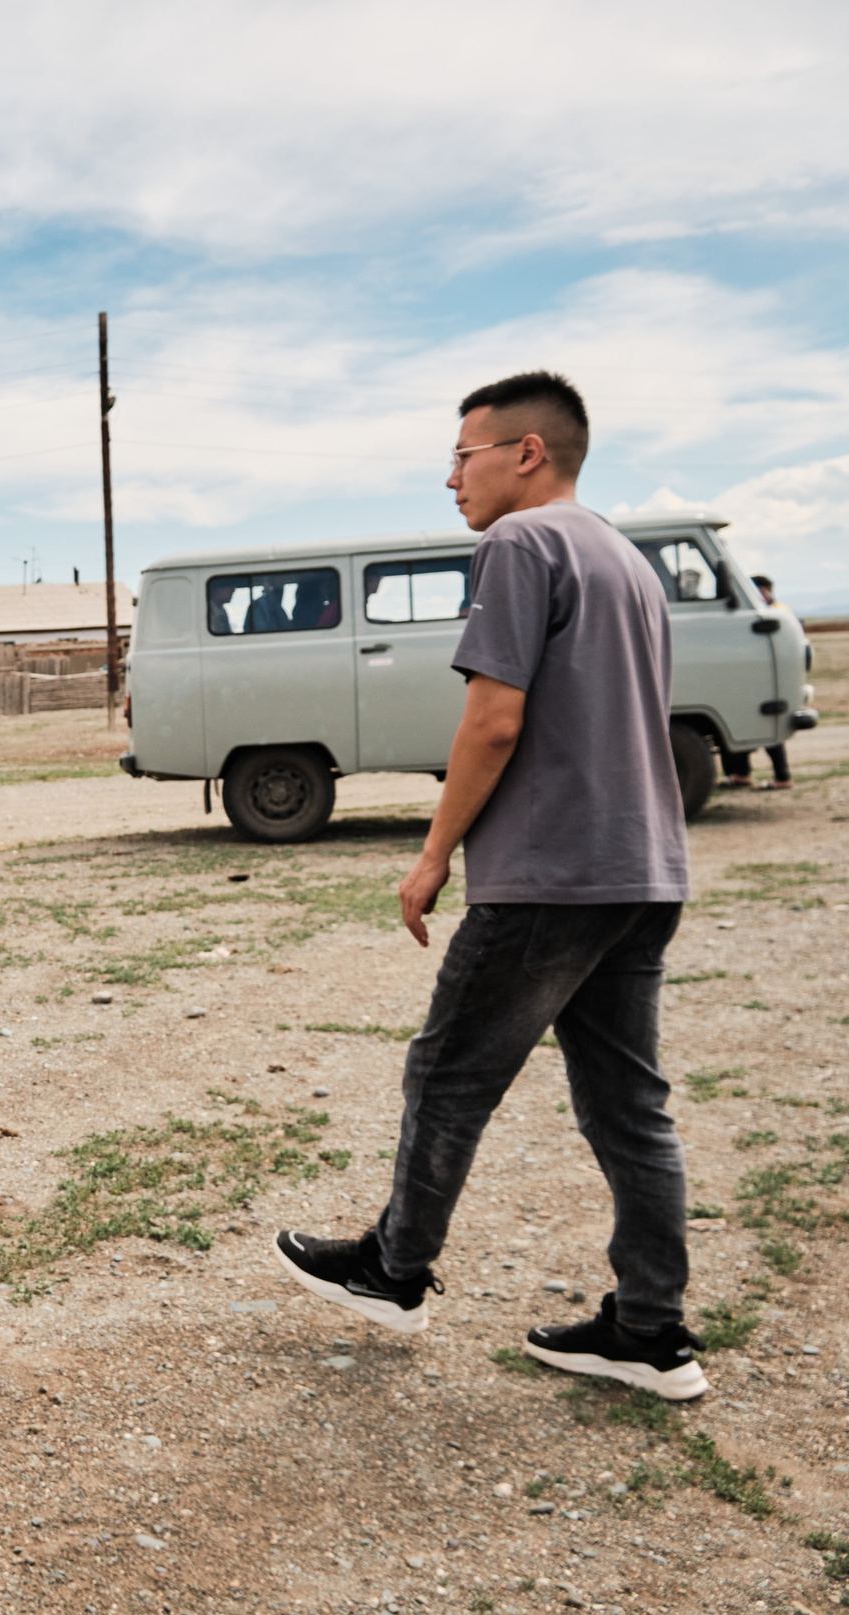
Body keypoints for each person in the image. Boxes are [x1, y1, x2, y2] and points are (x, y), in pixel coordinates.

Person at [271, 371, 710, 1402]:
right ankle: (650, 1329)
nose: (450, 478)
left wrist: (434, 854)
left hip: (550, 874)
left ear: (526, 452)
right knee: (629, 1105)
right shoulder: (625, 559)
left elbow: (494, 718)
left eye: (461, 456)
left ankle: (394, 1270)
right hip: (642, 868)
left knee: (447, 1075)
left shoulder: (520, 542)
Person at [720, 573, 795, 789]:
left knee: (767, 725)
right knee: (743, 721)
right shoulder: (765, 611)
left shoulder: (775, 612)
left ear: (764, 590)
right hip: (751, 674)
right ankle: (742, 773)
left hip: (765, 677)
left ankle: (782, 776)